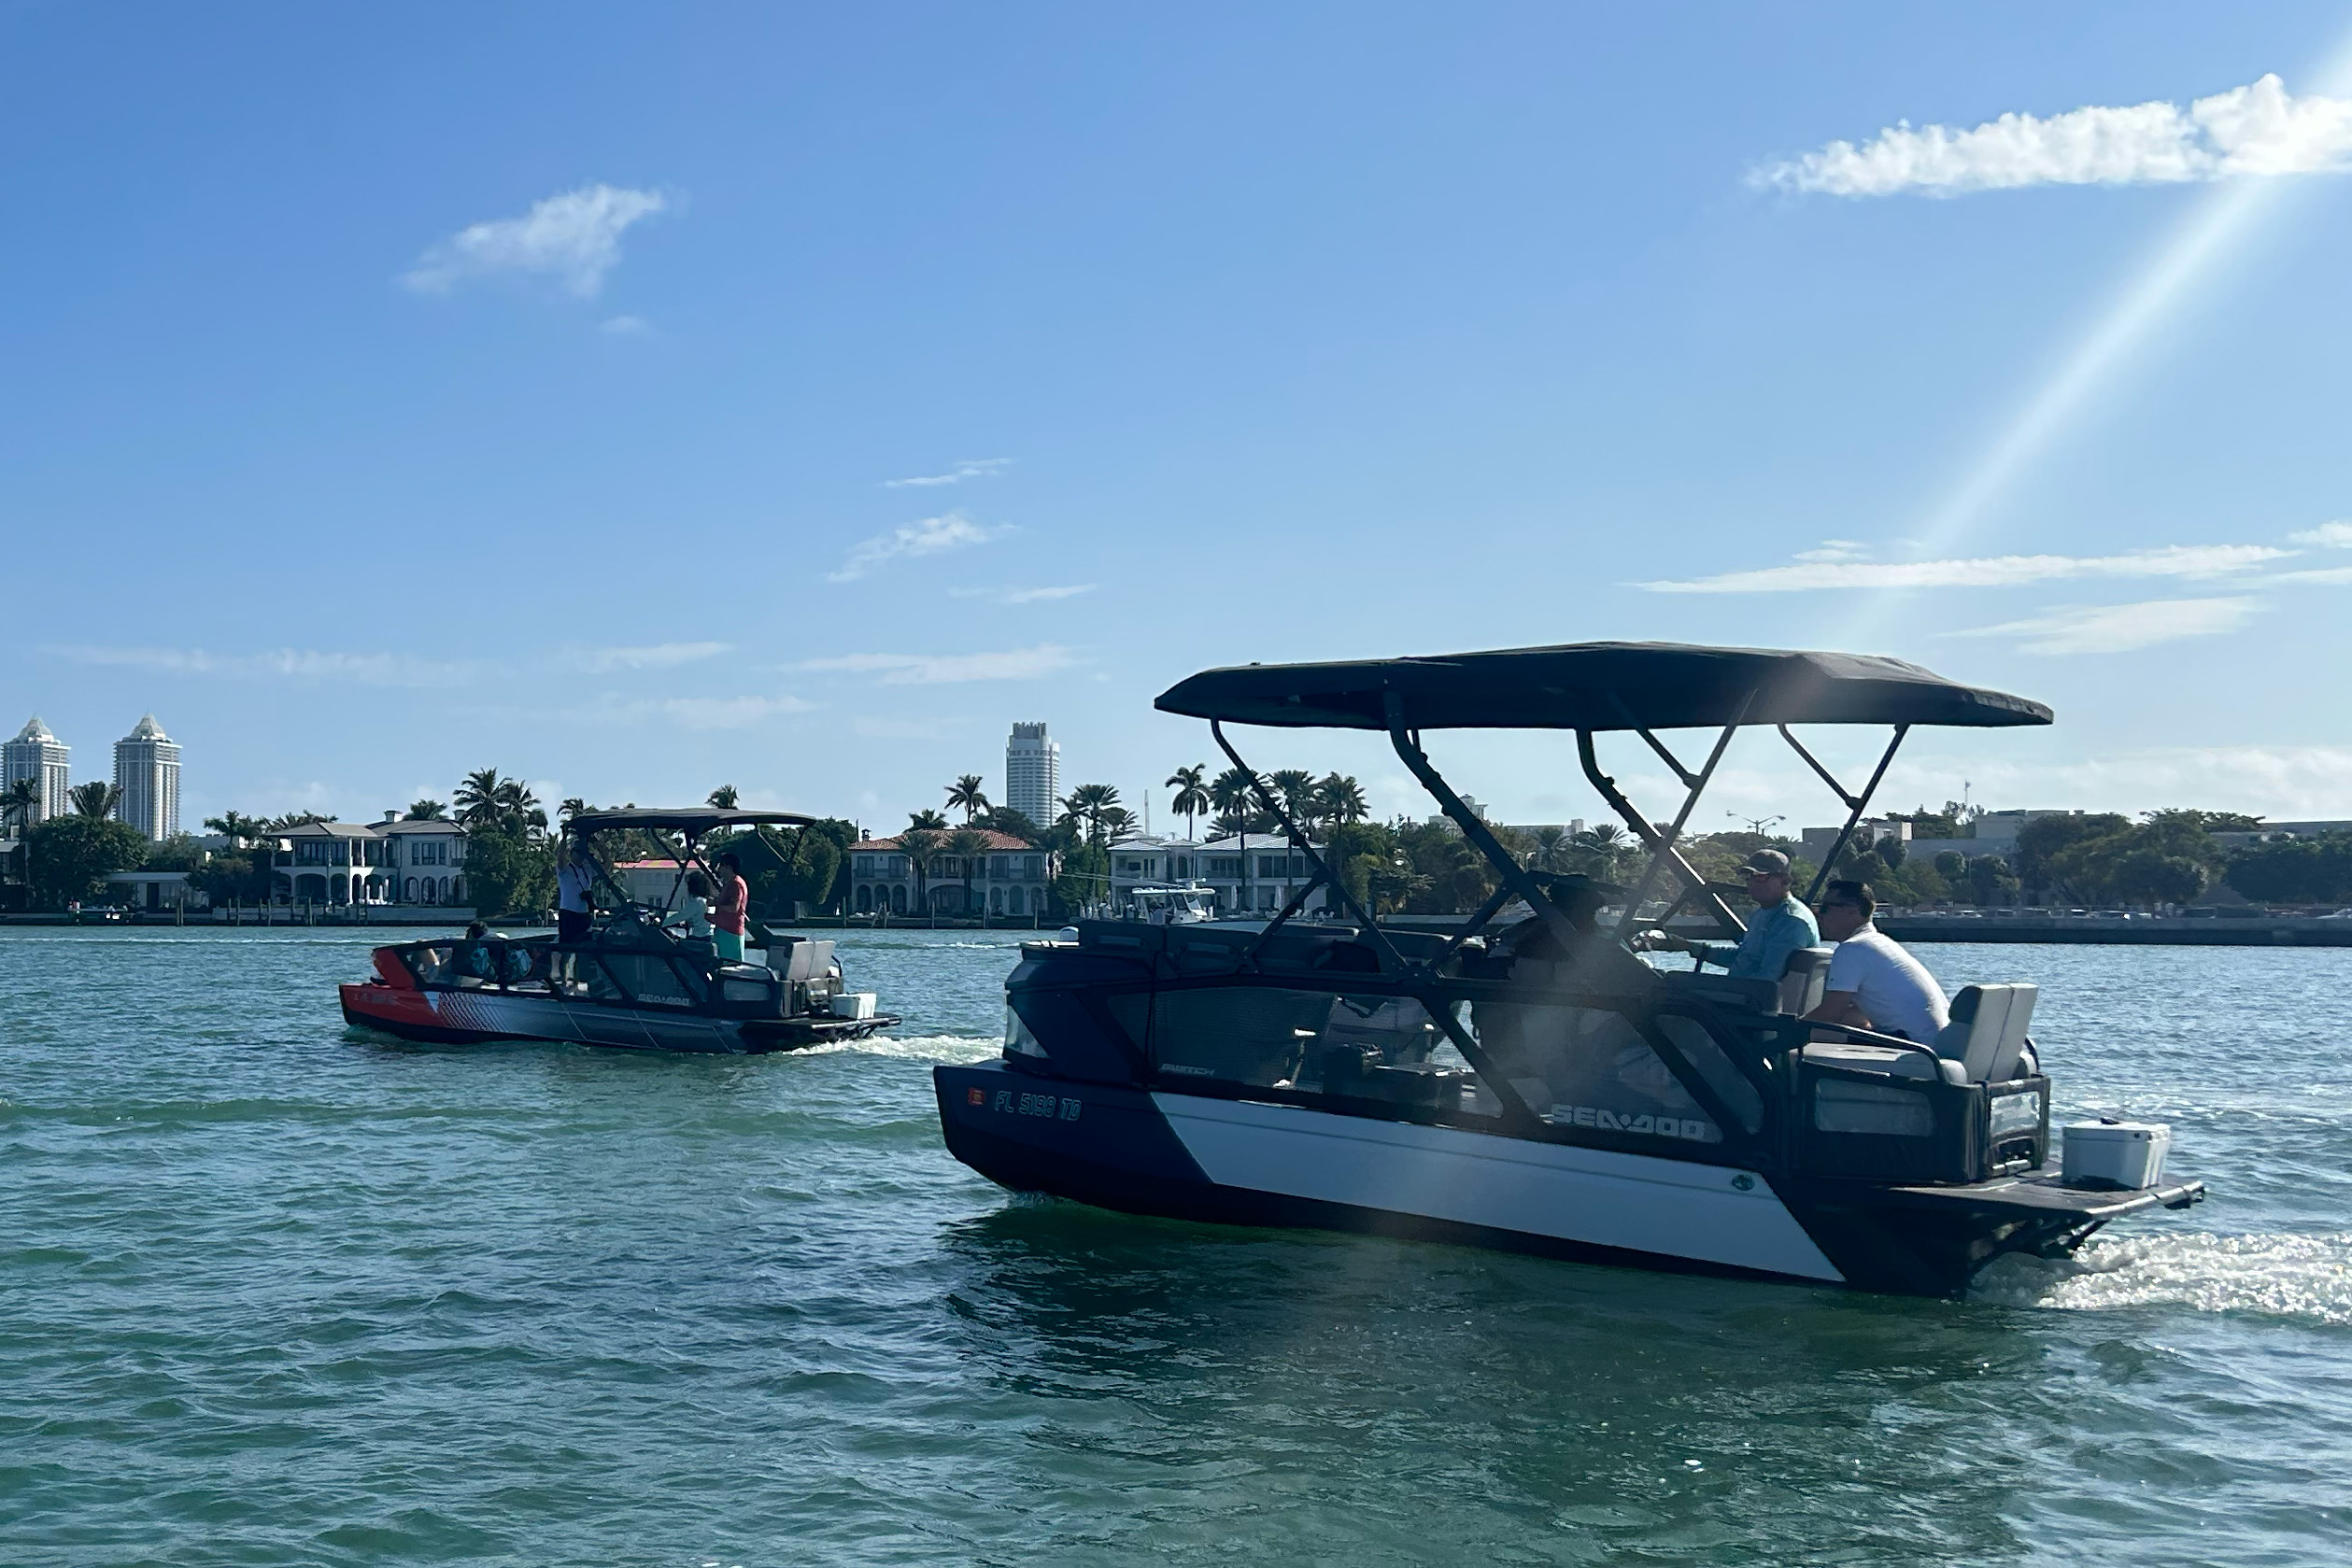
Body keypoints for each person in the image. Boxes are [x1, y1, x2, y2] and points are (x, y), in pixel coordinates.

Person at [1805, 879, 1949, 1044]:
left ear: (1852, 912)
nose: (1819, 915)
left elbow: (1830, 1013)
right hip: (1932, 1045)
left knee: (1800, 1047)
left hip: (1911, 1046)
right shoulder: (1879, 943)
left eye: (1825, 908)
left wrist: (1787, 1031)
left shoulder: (1852, 949)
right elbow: (1856, 1015)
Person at [1640, 849, 1819, 980]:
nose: (1752, 883)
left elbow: (1767, 980)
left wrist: (1718, 986)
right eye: (1748, 877)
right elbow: (1743, 958)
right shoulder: (1762, 914)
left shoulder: (1792, 921)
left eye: (1761, 877)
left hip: (1755, 1008)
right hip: (1744, 997)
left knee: (1671, 985)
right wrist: (1688, 946)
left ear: (1785, 881)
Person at [710, 852, 748, 963]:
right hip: (725, 930)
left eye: (721, 866)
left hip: (730, 932)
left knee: (732, 967)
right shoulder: (731, 883)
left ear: (728, 867)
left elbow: (734, 908)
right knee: (723, 964)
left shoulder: (736, 884)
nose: (719, 869)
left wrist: (716, 904)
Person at [556, 843, 595, 946]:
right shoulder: (564, 869)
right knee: (565, 946)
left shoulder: (588, 869)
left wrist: (599, 845)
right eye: (578, 853)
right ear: (571, 854)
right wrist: (564, 838)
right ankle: (562, 961)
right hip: (569, 912)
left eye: (583, 853)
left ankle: (579, 962)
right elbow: (560, 858)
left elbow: (608, 865)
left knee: (584, 946)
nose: (581, 856)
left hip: (585, 914)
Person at [681, 870, 715, 941]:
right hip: (710, 937)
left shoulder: (697, 902)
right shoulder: (708, 901)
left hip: (700, 937)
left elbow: (680, 916)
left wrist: (662, 923)